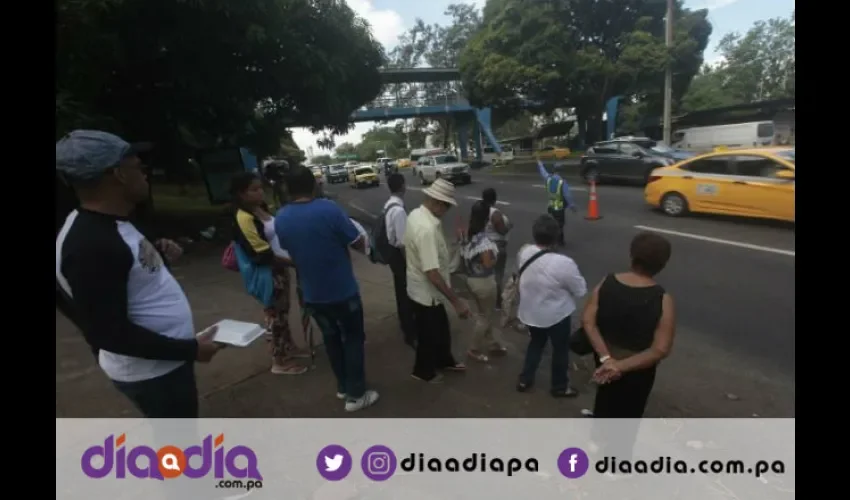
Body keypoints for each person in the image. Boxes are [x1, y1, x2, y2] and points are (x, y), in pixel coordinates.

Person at [55, 130, 222, 418]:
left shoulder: (113, 222)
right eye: (138, 167)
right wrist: (191, 350)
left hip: (166, 361)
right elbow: (109, 333)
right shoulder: (90, 245)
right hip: (152, 373)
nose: (145, 174)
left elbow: (128, 276)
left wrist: (157, 254)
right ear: (118, 174)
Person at [275, 165, 379, 412]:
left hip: (312, 294)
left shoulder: (281, 218)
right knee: (353, 339)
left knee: (331, 340)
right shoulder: (329, 210)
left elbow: (291, 252)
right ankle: (356, 395)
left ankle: (343, 386)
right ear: (314, 185)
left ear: (288, 189)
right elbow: (357, 242)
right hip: (342, 291)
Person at [581, 231, 675, 417]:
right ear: (662, 264)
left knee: (605, 394)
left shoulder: (607, 282)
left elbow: (588, 321)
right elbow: (661, 349)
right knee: (630, 409)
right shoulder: (663, 299)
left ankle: (598, 437)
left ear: (632, 256)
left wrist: (607, 359)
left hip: (603, 355)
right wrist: (620, 366)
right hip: (638, 368)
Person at [230, 172, 308, 376]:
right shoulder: (244, 218)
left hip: (281, 269)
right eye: (253, 190)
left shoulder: (261, 210)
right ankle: (278, 360)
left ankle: (289, 348)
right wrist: (292, 262)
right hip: (269, 271)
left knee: (283, 311)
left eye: (260, 188)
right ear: (241, 194)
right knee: (274, 315)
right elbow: (260, 253)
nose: (260, 193)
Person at [405, 179, 471, 383]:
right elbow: (432, 272)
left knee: (441, 328)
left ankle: (445, 360)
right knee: (428, 335)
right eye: (448, 206)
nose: (447, 211)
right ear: (438, 203)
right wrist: (457, 301)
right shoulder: (427, 229)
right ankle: (423, 372)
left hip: (420, 288)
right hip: (427, 293)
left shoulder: (416, 214)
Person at [516, 215, 587, 397]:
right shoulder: (563, 263)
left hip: (531, 312)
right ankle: (559, 386)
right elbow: (580, 290)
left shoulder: (525, 252)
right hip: (557, 316)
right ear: (557, 237)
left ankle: (525, 379)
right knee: (560, 350)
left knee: (536, 344)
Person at [461, 201, 508, 363]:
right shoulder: (484, 242)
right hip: (484, 283)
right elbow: (488, 263)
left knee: (483, 314)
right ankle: (473, 349)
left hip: (471, 280)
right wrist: (495, 259)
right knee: (485, 317)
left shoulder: (469, 233)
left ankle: (493, 343)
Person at [383, 173, 416, 348]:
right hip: (399, 256)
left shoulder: (389, 205)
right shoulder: (399, 210)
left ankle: (406, 326)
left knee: (401, 292)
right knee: (407, 294)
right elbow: (403, 242)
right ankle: (410, 332)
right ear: (402, 186)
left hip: (392, 254)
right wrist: (410, 264)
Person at [481, 188, 512, 309]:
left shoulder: (479, 210)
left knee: (486, 275)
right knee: (498, 275)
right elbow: (502, 230)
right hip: (497, 247)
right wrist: (509, 226)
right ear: (494, 198)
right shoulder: (494, 213)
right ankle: (497, 303)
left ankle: (486, 301)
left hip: (484, 246)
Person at [536, 160, 576, 246]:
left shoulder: (548, 179)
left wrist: (540, 165)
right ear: (561, 171)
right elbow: (567, 195)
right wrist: (572, 206)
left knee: (552, 224)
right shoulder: (562, 182)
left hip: (550, 206)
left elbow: (543, 173)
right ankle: (560, 241)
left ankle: (551, 240)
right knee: (560, 225)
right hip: (559, 208)